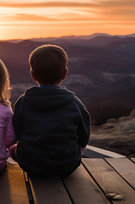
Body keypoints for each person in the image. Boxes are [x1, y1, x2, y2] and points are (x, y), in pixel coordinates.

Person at [10, 44, 90, 178]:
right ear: (65, 73)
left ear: (32, 75)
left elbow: (18, 133)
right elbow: (84, 137)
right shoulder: (75, 103)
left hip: (30, 165)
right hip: (67, 166)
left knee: (13, 150)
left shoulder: (23, 103)